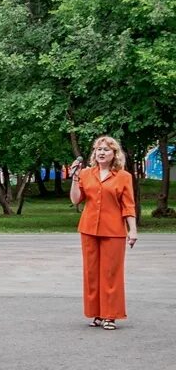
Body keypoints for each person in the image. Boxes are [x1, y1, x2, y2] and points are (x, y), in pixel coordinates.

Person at [70, 135, 137, 331]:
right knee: (91, 273)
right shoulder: (85, 173)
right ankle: (96, 313)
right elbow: (76, 200)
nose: (101, 152)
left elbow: (128, 206)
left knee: (111, 273)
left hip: (114, 230)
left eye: (106, 149)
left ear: (114, 154)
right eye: (98, 149)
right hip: (89, 229)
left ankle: (110, 315)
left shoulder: (124, 177)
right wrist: (74, 177)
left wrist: (132, 230)